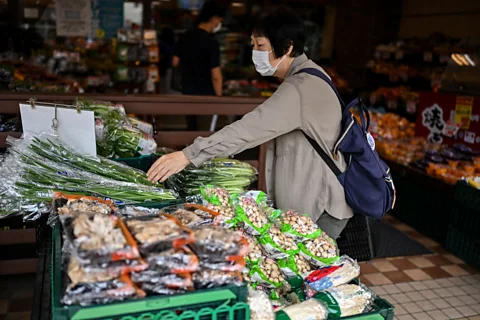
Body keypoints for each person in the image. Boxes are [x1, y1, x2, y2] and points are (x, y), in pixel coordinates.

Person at [148, 6, 353, 239]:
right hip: (316, 200)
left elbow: (246, 130)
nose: (255, 52)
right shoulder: (313, 74)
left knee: (312, 272)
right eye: (253, 45)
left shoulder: (300, 88)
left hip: (319, 206)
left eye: (261, 46)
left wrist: (188, 155)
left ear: (287, 47)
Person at [174, 0, 226, 130]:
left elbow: (175, 62)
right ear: (214, 19)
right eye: (219, 20)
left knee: (190, 130)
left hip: (187, 93)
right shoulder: (211, 43)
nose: (219, 23)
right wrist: (219, 98)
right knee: (204, 134)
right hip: (206, 98)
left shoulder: (185, 36)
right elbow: (216, 76)